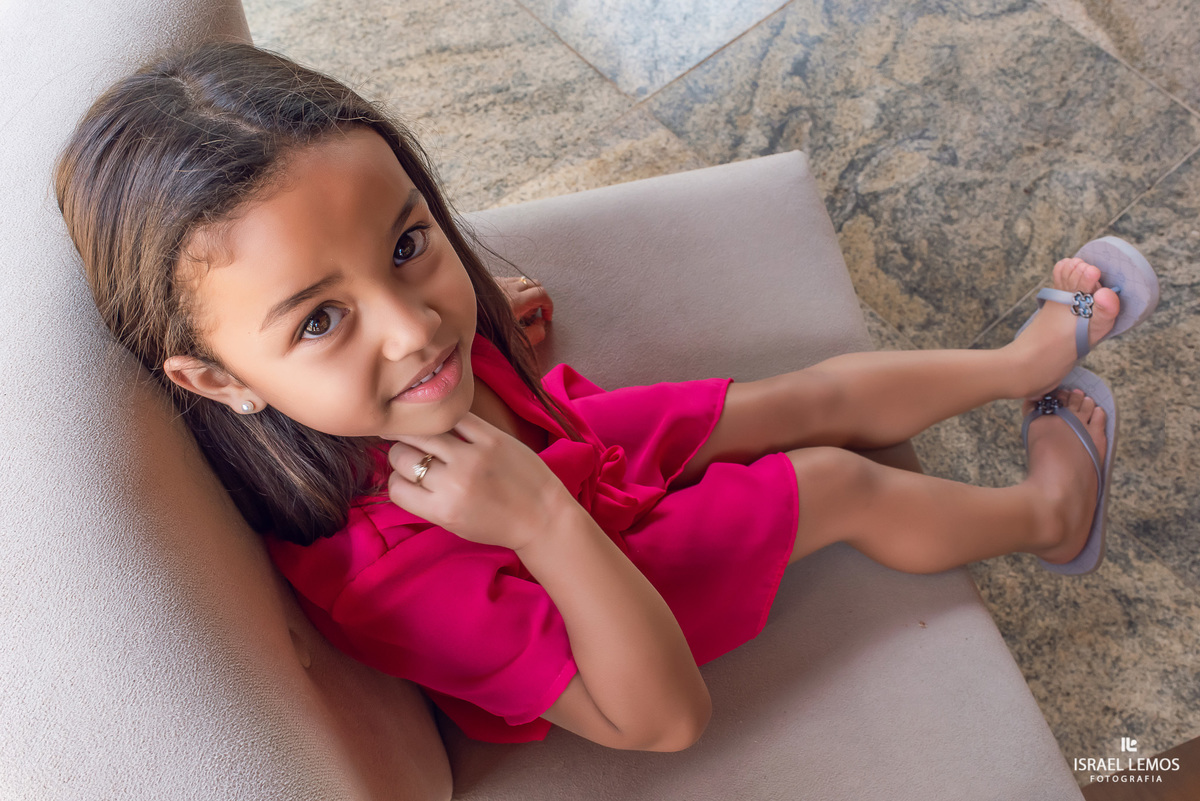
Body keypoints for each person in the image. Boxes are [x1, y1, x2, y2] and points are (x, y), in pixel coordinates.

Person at [54, 41, 1150, 753]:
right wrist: (541, 518)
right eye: (320, 319)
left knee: (785, 399)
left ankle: (1019, 369)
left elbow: (402, 303)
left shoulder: (400, 375)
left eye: (405, 243)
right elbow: (661, 720)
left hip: (552, 468)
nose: (414, 325)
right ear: (214, 378)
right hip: (589, 583)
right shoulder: (405, 587)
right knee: (831, 484)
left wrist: (471, 314)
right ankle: (1050, 518)